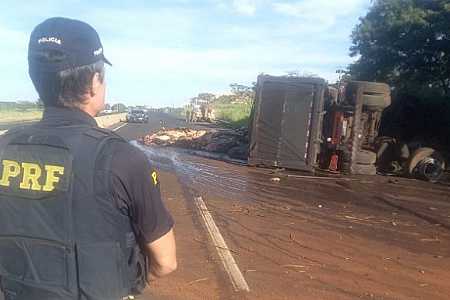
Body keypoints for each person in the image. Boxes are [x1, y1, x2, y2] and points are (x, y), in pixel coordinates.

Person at [0, 17, 176, 300]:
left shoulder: (4, 146)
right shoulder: (122, 158)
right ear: (95, 81)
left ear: (35, 79)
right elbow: (166, 262)